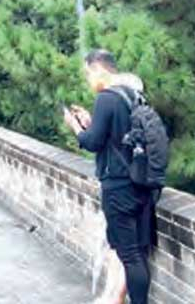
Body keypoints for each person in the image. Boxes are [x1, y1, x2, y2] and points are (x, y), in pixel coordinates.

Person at [64, 50, 157, 304]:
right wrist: (91, 121)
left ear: (99, 70)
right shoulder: (133, 94)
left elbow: (93, 142)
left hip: (118, 187)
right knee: (138, 252)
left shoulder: (106, 97)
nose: (88, 79)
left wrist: (75, 127)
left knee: (130, 255)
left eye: (88, 73)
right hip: (140, 182)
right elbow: (118, 136)